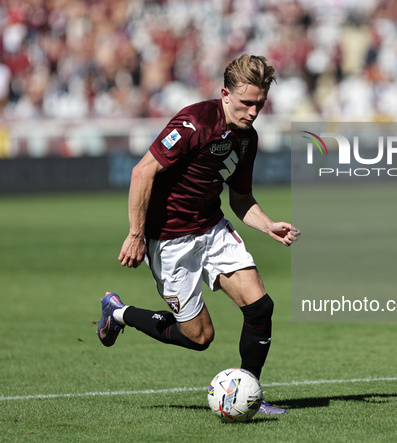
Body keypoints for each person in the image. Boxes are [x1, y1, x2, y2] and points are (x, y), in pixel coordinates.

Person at [96, 54, 300, 414]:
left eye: (260, 104)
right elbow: (142, 173)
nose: (253, 112)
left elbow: (240, 199)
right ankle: (118, 313)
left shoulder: (246, 139)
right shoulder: (194, 122)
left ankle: (250, 391)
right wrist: (136, 234)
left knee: (260, 307)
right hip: (171, 240)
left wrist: (267, 224)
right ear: (224, 93)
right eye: (246, 103)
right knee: (200, 337)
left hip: (212, 228)